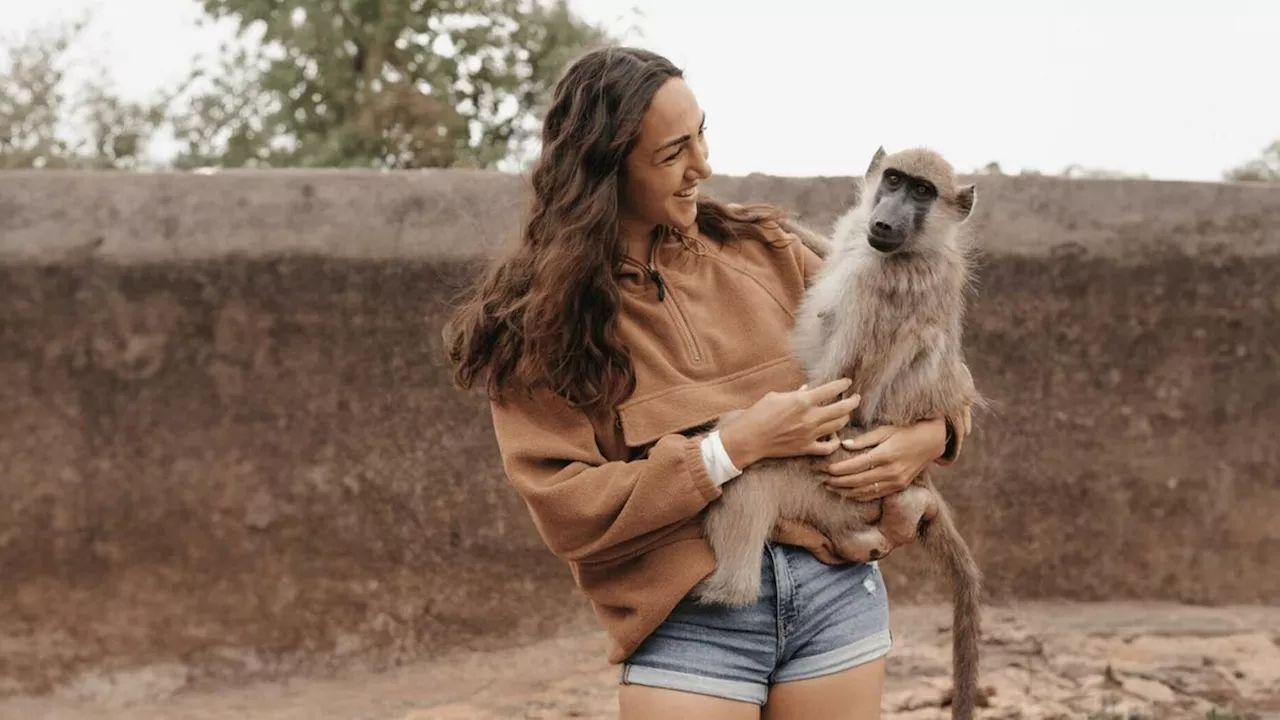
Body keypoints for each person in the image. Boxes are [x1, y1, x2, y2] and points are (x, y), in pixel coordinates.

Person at [445, 46, 969, 720]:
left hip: (836, 597)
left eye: (701, 135)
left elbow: (930, 355)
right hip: (693, 614)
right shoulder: (536, 325)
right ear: (605, 169)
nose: (705, 167)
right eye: (672, 154)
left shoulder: (767, 247)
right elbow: (569, 510)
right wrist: (730, 449)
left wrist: (928, 438)